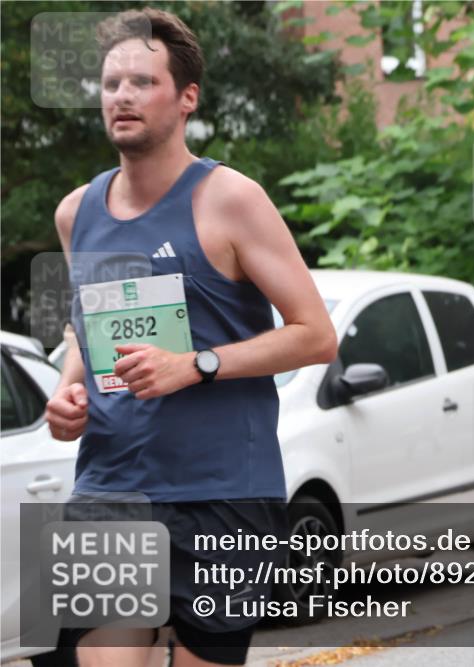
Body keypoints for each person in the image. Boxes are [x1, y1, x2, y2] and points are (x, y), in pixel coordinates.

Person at [42, 8, 338, 667]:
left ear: (186, 97)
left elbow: (316, 335)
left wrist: (195, 364)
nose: (122, 96)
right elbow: (83, 325)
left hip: (222, 493)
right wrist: (68, 391)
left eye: (143, 82)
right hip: (111, 488)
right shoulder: (75, 212)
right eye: (111, 83)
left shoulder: (230, 199)